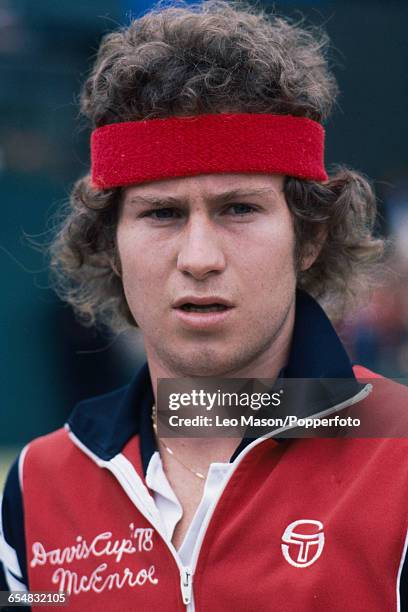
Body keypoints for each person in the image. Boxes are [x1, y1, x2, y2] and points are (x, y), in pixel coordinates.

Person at [1, 2, 407, 610]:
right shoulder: (38, 486)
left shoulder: (400, 455)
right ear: (110, 244)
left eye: (238, 209)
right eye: (161, 213)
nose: (199, 257)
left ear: (310, 237)